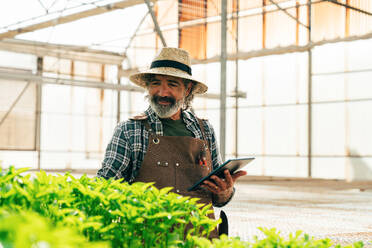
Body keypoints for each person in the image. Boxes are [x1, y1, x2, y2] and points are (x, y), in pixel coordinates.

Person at [97, 47, 246, 238]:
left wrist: (225, 191)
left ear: (187, 89)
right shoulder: (130, 130)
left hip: (200, 240)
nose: (162, 92)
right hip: (150, 239)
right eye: (155, 83)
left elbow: (217, 198)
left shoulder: (204, 130)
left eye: (173, 84)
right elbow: (104, 187)